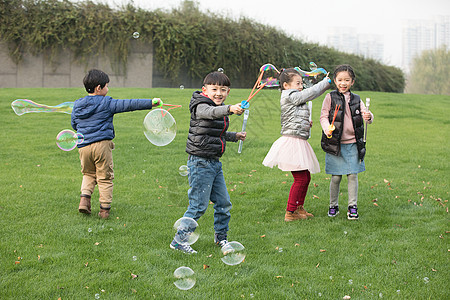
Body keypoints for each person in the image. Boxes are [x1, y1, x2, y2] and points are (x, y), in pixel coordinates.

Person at [170, 71, 246, 254]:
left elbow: (214, 133)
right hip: (199, 163)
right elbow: (209, 113)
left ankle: (221, 238)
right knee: (198, 206)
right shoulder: (200, 105)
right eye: (214, 89)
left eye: (223, 89)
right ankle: (179, 241)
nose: (219, 93)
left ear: (228, 91)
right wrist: (229, 109)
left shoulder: (216, 107)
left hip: (214, 164)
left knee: (224, 203)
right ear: (205, 90)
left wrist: (234, 136)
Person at [71, 69, 161, 219]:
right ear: (98, 88)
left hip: (83, 145)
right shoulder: (107, 103)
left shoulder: (78, 104)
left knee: (88, 173)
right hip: (102, 146)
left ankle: (84, 201)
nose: (108, 89)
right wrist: (151, 103)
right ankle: (104, 211)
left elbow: (74, 125)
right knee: (105, 177)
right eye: (106, 86)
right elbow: (129, 104)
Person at [262, 68, 331, 222]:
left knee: (305, 177)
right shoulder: (290, 95)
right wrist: (325, 83)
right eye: (298, 83)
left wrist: (306, 123)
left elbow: (295, 116)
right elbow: (310, 93)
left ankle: (299, 207)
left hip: (298, 139)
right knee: (300, 178)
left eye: (302, 83)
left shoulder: (293, 96)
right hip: (292, 142)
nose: (301, 86)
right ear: (286, 85)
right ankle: (290, 211)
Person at [320, 64, 373, 220]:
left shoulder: (357, 99)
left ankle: (352, 206)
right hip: (335, 143)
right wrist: (326, 128)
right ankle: (333, 205)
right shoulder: (329, 97)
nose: (343, 83)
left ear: (352, 82)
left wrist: (369, 117)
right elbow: (323, 116)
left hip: (353, 144)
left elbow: (366, 115)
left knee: (352, 176)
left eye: (347, 80)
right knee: (336, 177)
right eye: (340, 80)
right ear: (335, 81)